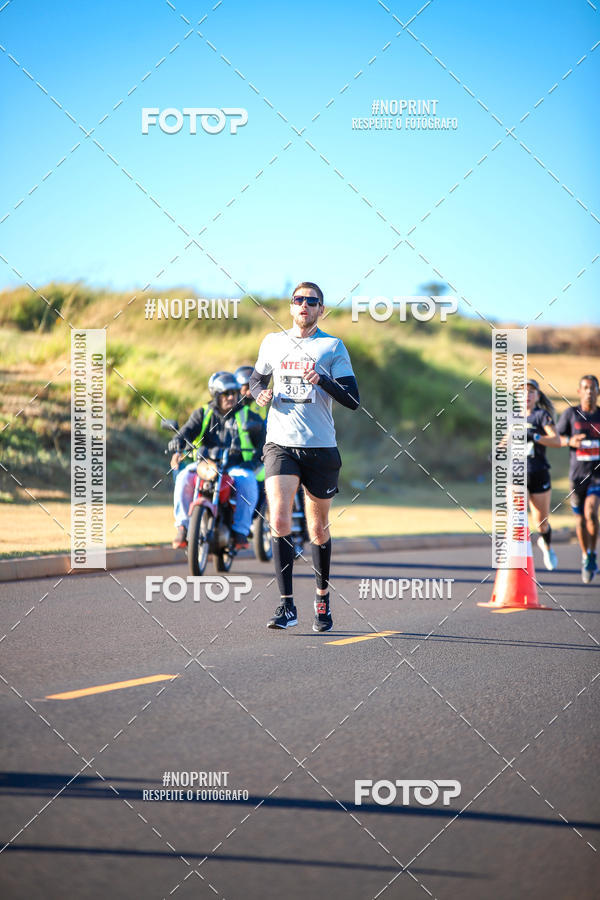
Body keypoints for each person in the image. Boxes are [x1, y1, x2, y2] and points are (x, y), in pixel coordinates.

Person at [249, 281, 360, 632]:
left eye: (312, 302)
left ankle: (322, 598)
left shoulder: (332, 346)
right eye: (299, 300)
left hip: (321, 448)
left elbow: (353, 400)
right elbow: (254, 380)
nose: (304, 306)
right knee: (279, 520)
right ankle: (286, 606)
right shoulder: (273, 342)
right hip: (280, 443)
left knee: (318, 528)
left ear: (321, 310)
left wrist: (324, 380)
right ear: (290, 307)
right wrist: (258, 394)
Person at [169, 372, 265, 549]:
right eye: (225, 394)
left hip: (235, 467)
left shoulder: (247, 415)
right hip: (206, 466)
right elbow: (187, 431)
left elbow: (264, 440)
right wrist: (178, 441)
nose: (231, 397)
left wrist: (253, 462)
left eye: (234, 393)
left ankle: (240, 531)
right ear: (216, 395)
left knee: (248, 480)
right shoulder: (203, 413)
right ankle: (182, 527)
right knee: (183, 477)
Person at [557, 374, 600, 584]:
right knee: (580, 520)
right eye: (585, 388)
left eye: (593, 388)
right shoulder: (570, 415)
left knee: (591, 513)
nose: (589, 391)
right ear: (579, 391)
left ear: (598, 392)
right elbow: (554, 438)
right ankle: (586, 555)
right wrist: (569, 440)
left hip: (597, 477)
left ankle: (593, 552)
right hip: (576, 477)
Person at [526, 379, 561, 570]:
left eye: (531, 391)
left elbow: (556, 441)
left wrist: (536, 437)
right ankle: (517, 558)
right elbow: (505, 440)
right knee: (517, 516)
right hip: (517, 475)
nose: (527, 395)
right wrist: (497, 451)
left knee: (541, 523)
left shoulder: (542, 416)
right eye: (523, 391)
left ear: (537, 396)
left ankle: (546, 546)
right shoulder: (513, 417)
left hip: (538, 472)